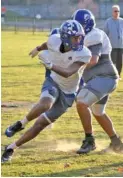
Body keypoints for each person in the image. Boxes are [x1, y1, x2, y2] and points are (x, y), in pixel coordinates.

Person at [2, 20, 91, 163]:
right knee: (45, 104)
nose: (79, 40)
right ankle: (20, 123)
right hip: (54, 82)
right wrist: (38, 48)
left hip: (68, 93)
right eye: (75, 37)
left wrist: (50, 65)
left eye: (80, 37)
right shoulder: (54, 40)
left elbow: (68, 73)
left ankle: (11, 148)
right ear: (65, 38)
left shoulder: (84, 53)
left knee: (40, 125)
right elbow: (47, 44)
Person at [72, 9, 123, 154]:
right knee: (98, 111)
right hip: (97, 79)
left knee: (81, 102)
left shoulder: (94, 35)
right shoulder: (82, 36)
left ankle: (89, 140)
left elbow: (93, 60)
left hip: (104, 77)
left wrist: (73, 68)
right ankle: (116, 142)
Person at [104, 5, 123, 79]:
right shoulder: (108, 21)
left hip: (121, 45)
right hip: (112, 45)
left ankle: (118, 75)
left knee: (120, 62)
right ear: (112, 12)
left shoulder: (122, 21)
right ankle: (112, 75)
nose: (117, 12)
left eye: (118, 11)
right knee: (113, 62)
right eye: (115, 11)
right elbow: (105, 34)